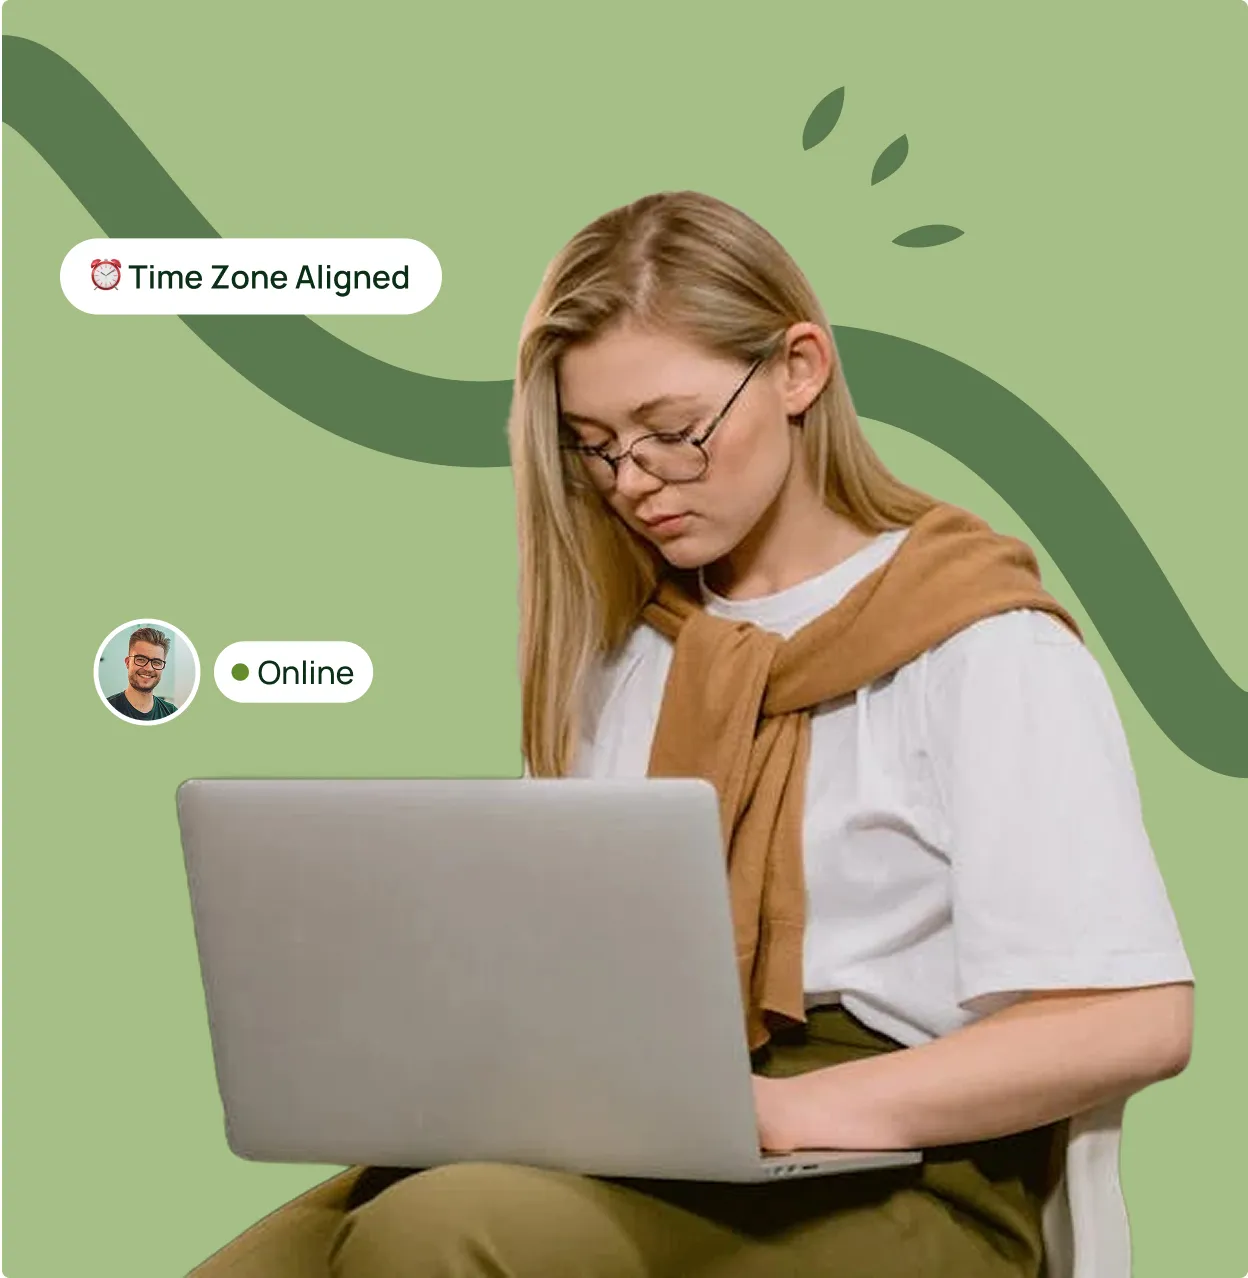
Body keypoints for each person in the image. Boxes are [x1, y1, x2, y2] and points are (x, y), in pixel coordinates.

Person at [190, 192, 1194, 1277]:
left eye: (672, 433)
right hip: (646, 1128)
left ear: (800, 368)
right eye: (596, 448)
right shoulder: (628, 657)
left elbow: (1131, 1023)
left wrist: (783, 1112)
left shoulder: (985, 649)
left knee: (436, 1235)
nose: (633, 485)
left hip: (916, 1168)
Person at [105, 626, 178, 721]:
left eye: (156, 662)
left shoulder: (171, 713)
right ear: (128, 663)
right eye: (141, 660)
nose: (149, 668)